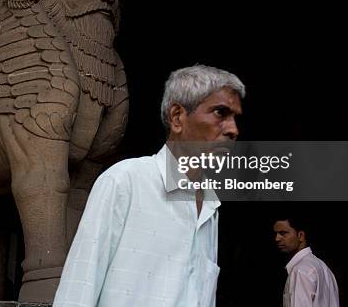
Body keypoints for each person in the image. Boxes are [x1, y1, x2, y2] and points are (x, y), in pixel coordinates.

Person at [53, 65, 245, 307]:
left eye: (235, 118)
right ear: (177, 117)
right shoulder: (125, 182)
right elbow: (77, 292)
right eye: (220, 113)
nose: (233, 130)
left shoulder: (210, 205)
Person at [274, 216, 340, 307]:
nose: (277, 239)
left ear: (300, 235)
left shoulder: (300, 271)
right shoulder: (323, 267)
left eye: (283, 233)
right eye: (276, 234)